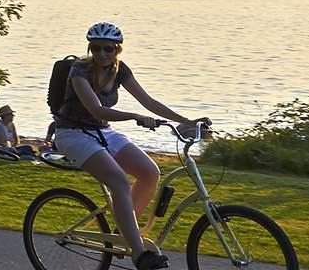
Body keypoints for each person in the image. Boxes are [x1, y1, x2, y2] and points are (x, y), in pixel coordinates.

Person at [53, 22, 202, 270]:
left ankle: (124, 231)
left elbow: (148, 101)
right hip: (72, 134)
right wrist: (134, 117)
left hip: (102, 131)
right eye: (97, 48)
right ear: (90, 48)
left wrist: (187, 121)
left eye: (108, 49)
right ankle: (139, 254)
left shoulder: (120, 70)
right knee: (119, 181)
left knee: (150, 172)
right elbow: (97, 109)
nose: (102, 54)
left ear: (117, 50)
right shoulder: (79, 70)